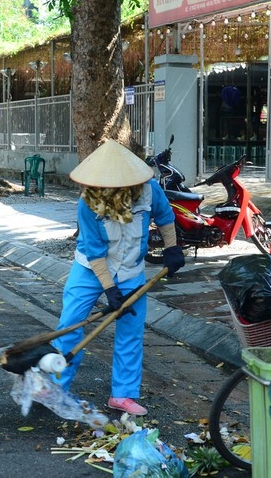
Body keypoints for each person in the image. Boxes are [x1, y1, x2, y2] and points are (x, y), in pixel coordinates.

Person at [52, 139, 185, 416]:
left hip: (131, 271)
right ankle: (56, 390)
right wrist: (110, 291)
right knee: (70, 325)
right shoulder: (87, 203)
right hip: (90, 269)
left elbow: (165, 217)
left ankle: (122, 394)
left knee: (130, 332)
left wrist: (172, 249)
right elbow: (94, 251)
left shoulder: (149, 191)